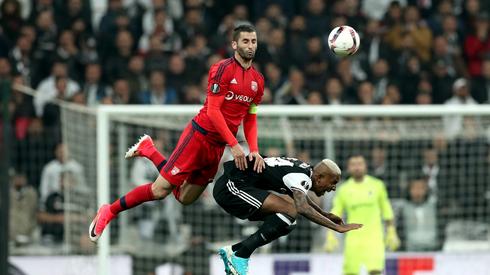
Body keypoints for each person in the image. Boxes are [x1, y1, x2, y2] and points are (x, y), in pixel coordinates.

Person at [89, 24, 266, 242]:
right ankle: (110, 210)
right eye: (245, 41)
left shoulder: (258, 81)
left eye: (254, 41)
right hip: (198, 137)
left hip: (217, 147)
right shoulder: (222, 69)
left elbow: (250, 117)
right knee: (159, 190)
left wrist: (254, 149)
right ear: (234, 44)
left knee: (185, 198)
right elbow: (212, 110)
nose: (250, 46)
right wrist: (235, 144)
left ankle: (150, 151)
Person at [213, 157, 363, 275]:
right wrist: (336, 227)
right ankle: (241, 255)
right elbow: (302, 207)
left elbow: (301, 197)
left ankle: (234, 251)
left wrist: (325, 214)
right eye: (333, 182)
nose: (334, 187)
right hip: (231, 187)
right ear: (319, 178)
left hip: (243, 185)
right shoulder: (300, 177)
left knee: (288, 223)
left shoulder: (305, 171)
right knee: (290, 211)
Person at [324, 155, 399, 275]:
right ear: (348, 168)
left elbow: (386, 209)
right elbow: (336, 212)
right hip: (353, 240)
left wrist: (391, 230)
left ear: (365, 166)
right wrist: (330, 234)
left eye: (360, 164)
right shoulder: (344, 189)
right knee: (351, 272)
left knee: (375, 271)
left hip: (374, 238)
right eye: (353, 164)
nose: (357, 167)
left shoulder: (377, 185)